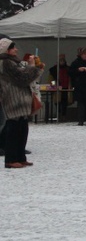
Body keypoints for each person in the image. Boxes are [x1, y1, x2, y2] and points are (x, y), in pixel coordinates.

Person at [0, 38, 42, 168]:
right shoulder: (6, 62)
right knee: (14, 129)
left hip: (20, 99)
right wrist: (33, 68)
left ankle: (20, 157)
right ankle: (11, 159)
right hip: (13, 99)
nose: (16, 49)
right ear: (7, 50)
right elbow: (22, 79)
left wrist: (30, 67)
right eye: (13, 48)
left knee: (22, 128)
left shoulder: (13, 62)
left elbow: (23, 76)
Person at [69, 47, 86, 126]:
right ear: (80, 55)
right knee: (81, 104)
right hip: (79, 87)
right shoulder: (75, 63)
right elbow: (70, 73)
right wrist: (78, 70)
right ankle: (80, 120)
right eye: (84, 54)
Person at [49, 53, 71, 120]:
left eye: (63, 61)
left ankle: (63, 115)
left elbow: (69, 78)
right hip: (57, 87)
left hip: (65, 87)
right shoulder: (53, 69)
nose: (62, 62)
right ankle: (58, 114)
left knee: (64, 102)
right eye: (60, 61)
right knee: (57, 101)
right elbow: (51, 79)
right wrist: (54, 85)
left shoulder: (68, 69)